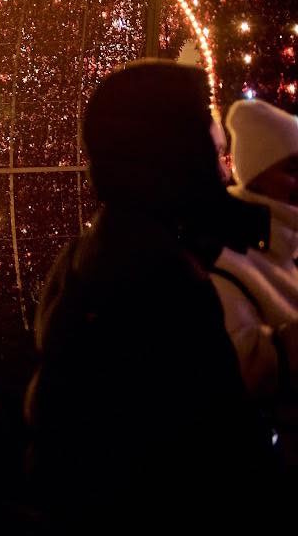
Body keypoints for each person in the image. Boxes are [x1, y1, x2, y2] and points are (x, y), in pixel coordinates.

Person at [25, 60, 278, 535]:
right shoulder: (155, 274)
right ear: (173, 151)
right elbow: (211, 446)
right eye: (211, 141)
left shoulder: (111, 248)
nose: (225, 161)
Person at [212, 98, 298, 468]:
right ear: (258, 175)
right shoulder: (229, 260)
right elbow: (236, 374)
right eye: (292, 170)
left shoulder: (284, 244)